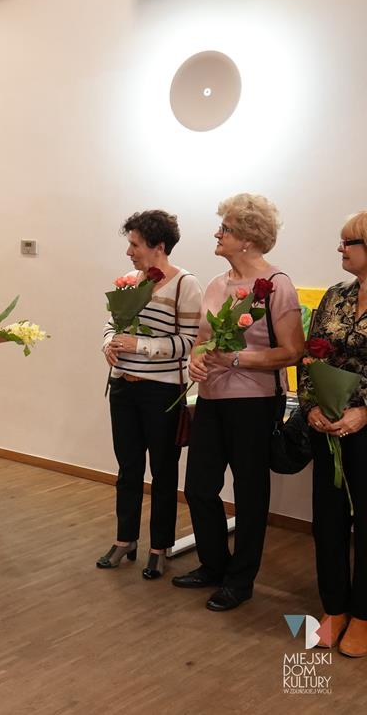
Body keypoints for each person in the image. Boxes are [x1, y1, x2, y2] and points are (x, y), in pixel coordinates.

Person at [173, 194, 303, 611]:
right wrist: (196, 361)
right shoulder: (216, 284)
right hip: (212, 399)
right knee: (199, 487)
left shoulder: (277, 285)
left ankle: (240, 580)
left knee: (249, 493)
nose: (217, 233)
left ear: (247, 238)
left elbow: (292, 352)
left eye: (225, 228)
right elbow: (201, 341)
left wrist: (235, 359)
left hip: (255, 402)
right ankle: (214, 565)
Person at [100, 210, 203, 579]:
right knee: (128, 468)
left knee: (163, 470)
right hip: (123, 388)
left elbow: (188, 342)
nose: (129, 252)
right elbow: (111, 325)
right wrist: (109, 344)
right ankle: (125, 539)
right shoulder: (129, 281)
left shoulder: (185, 284)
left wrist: (140, 345)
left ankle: (159, 547)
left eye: (135, 244)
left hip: (162, 392)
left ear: (159, 246)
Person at [299, 210, 367, 655]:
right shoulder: (335, 295)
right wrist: (310, 408)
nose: (340, 249)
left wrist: (365, 412)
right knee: (328, 519)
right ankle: (335, 607)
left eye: (348, 242)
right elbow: (310, 356)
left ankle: (363, 614)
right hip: (327, 424)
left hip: (365, 426)